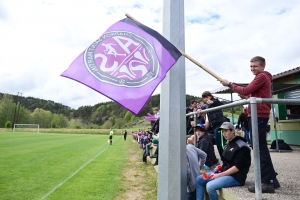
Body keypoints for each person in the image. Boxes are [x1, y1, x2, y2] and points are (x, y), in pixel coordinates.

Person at [219, 56, 280, 193]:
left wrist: (229, 84)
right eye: (251, 66)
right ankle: (271, 179)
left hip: (258, 115)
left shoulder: (261, 76)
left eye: (255, 66)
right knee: (261, 147)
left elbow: (246, 90)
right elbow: (250, 95)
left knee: (259, 149)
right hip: (258, 114)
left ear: (263, 66)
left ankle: (266, 182)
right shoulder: (263, 77)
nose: (252, 68)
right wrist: (245, 96)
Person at [195, 122, 251, 200]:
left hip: (236, 177)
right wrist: (220, 167)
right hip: (225, 173)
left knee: (210, 186)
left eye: (226, 131)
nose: (224, 134)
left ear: (232, 131)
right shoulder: (229, 143)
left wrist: (220, 175)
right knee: (198, 180)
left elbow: (238, 167)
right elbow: (227, 161)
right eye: (223, 131)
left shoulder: (242, 146)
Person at [201, 91, 227, 160]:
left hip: (220, 125)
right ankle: (224, 160)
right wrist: (199, 109)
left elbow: (221, 104)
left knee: (221, 144)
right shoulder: (207, 105)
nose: (206, 99)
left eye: (207, 97)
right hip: (215, 126)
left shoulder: (215, 100)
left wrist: (213, 102)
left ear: (210, 96)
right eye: (204, 98)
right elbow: (203, 108)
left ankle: (226, 160)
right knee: (219, 144)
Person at [187, 135, 207, 200]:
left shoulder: (181, 152)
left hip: (189, 185)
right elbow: (204, 155)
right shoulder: (191, 147)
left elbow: (188, 171)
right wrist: (199, 167)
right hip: (197, 178)